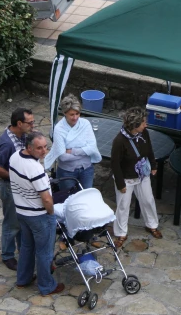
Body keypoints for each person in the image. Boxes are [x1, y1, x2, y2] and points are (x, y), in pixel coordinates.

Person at [10, 132, 65, 296]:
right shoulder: (35, 169)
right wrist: (51, 214)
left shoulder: (15, 157)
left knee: (26, 246)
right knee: (44, 252)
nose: (44, 151)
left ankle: (23, 279)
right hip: (39, 216)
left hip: (21, 211)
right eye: (39, 148)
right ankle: (47, 286)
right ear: (29, 147)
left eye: (45, 147)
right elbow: (47, 199)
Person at [111, 107, 162, 248]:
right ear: (135, 125)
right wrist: (120, 184)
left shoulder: (144, 133)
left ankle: (152, 225)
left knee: (148, 200)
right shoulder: (119, 141)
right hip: (126, 178)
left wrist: (153, 165)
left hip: (142, 175)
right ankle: (121, 233)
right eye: (143, 122)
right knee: (123, 206)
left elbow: (149, 150)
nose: (146, 125)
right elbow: (115, 164)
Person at [0, 107, 34, 270]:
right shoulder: (6, 143)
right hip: (10, 188)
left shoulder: (22, 135)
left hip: (20, 187)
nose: (32, 125)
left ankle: (22, 249)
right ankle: (7, 255)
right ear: (19, 123)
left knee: (21, 220)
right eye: (30, 122)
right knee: (11, 223)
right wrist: (15, 177)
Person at [45, 94, 101, 189]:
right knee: (68, 199)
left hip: (86, 169)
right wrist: (84, 152)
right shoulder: (59, 129)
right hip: (66, 171)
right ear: (64, 113)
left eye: (77, 114)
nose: (75, 117)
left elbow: (92, 148)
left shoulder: (85, 124)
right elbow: (62, 157)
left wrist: (72, 151)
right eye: (71, 114)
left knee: (87, 197)